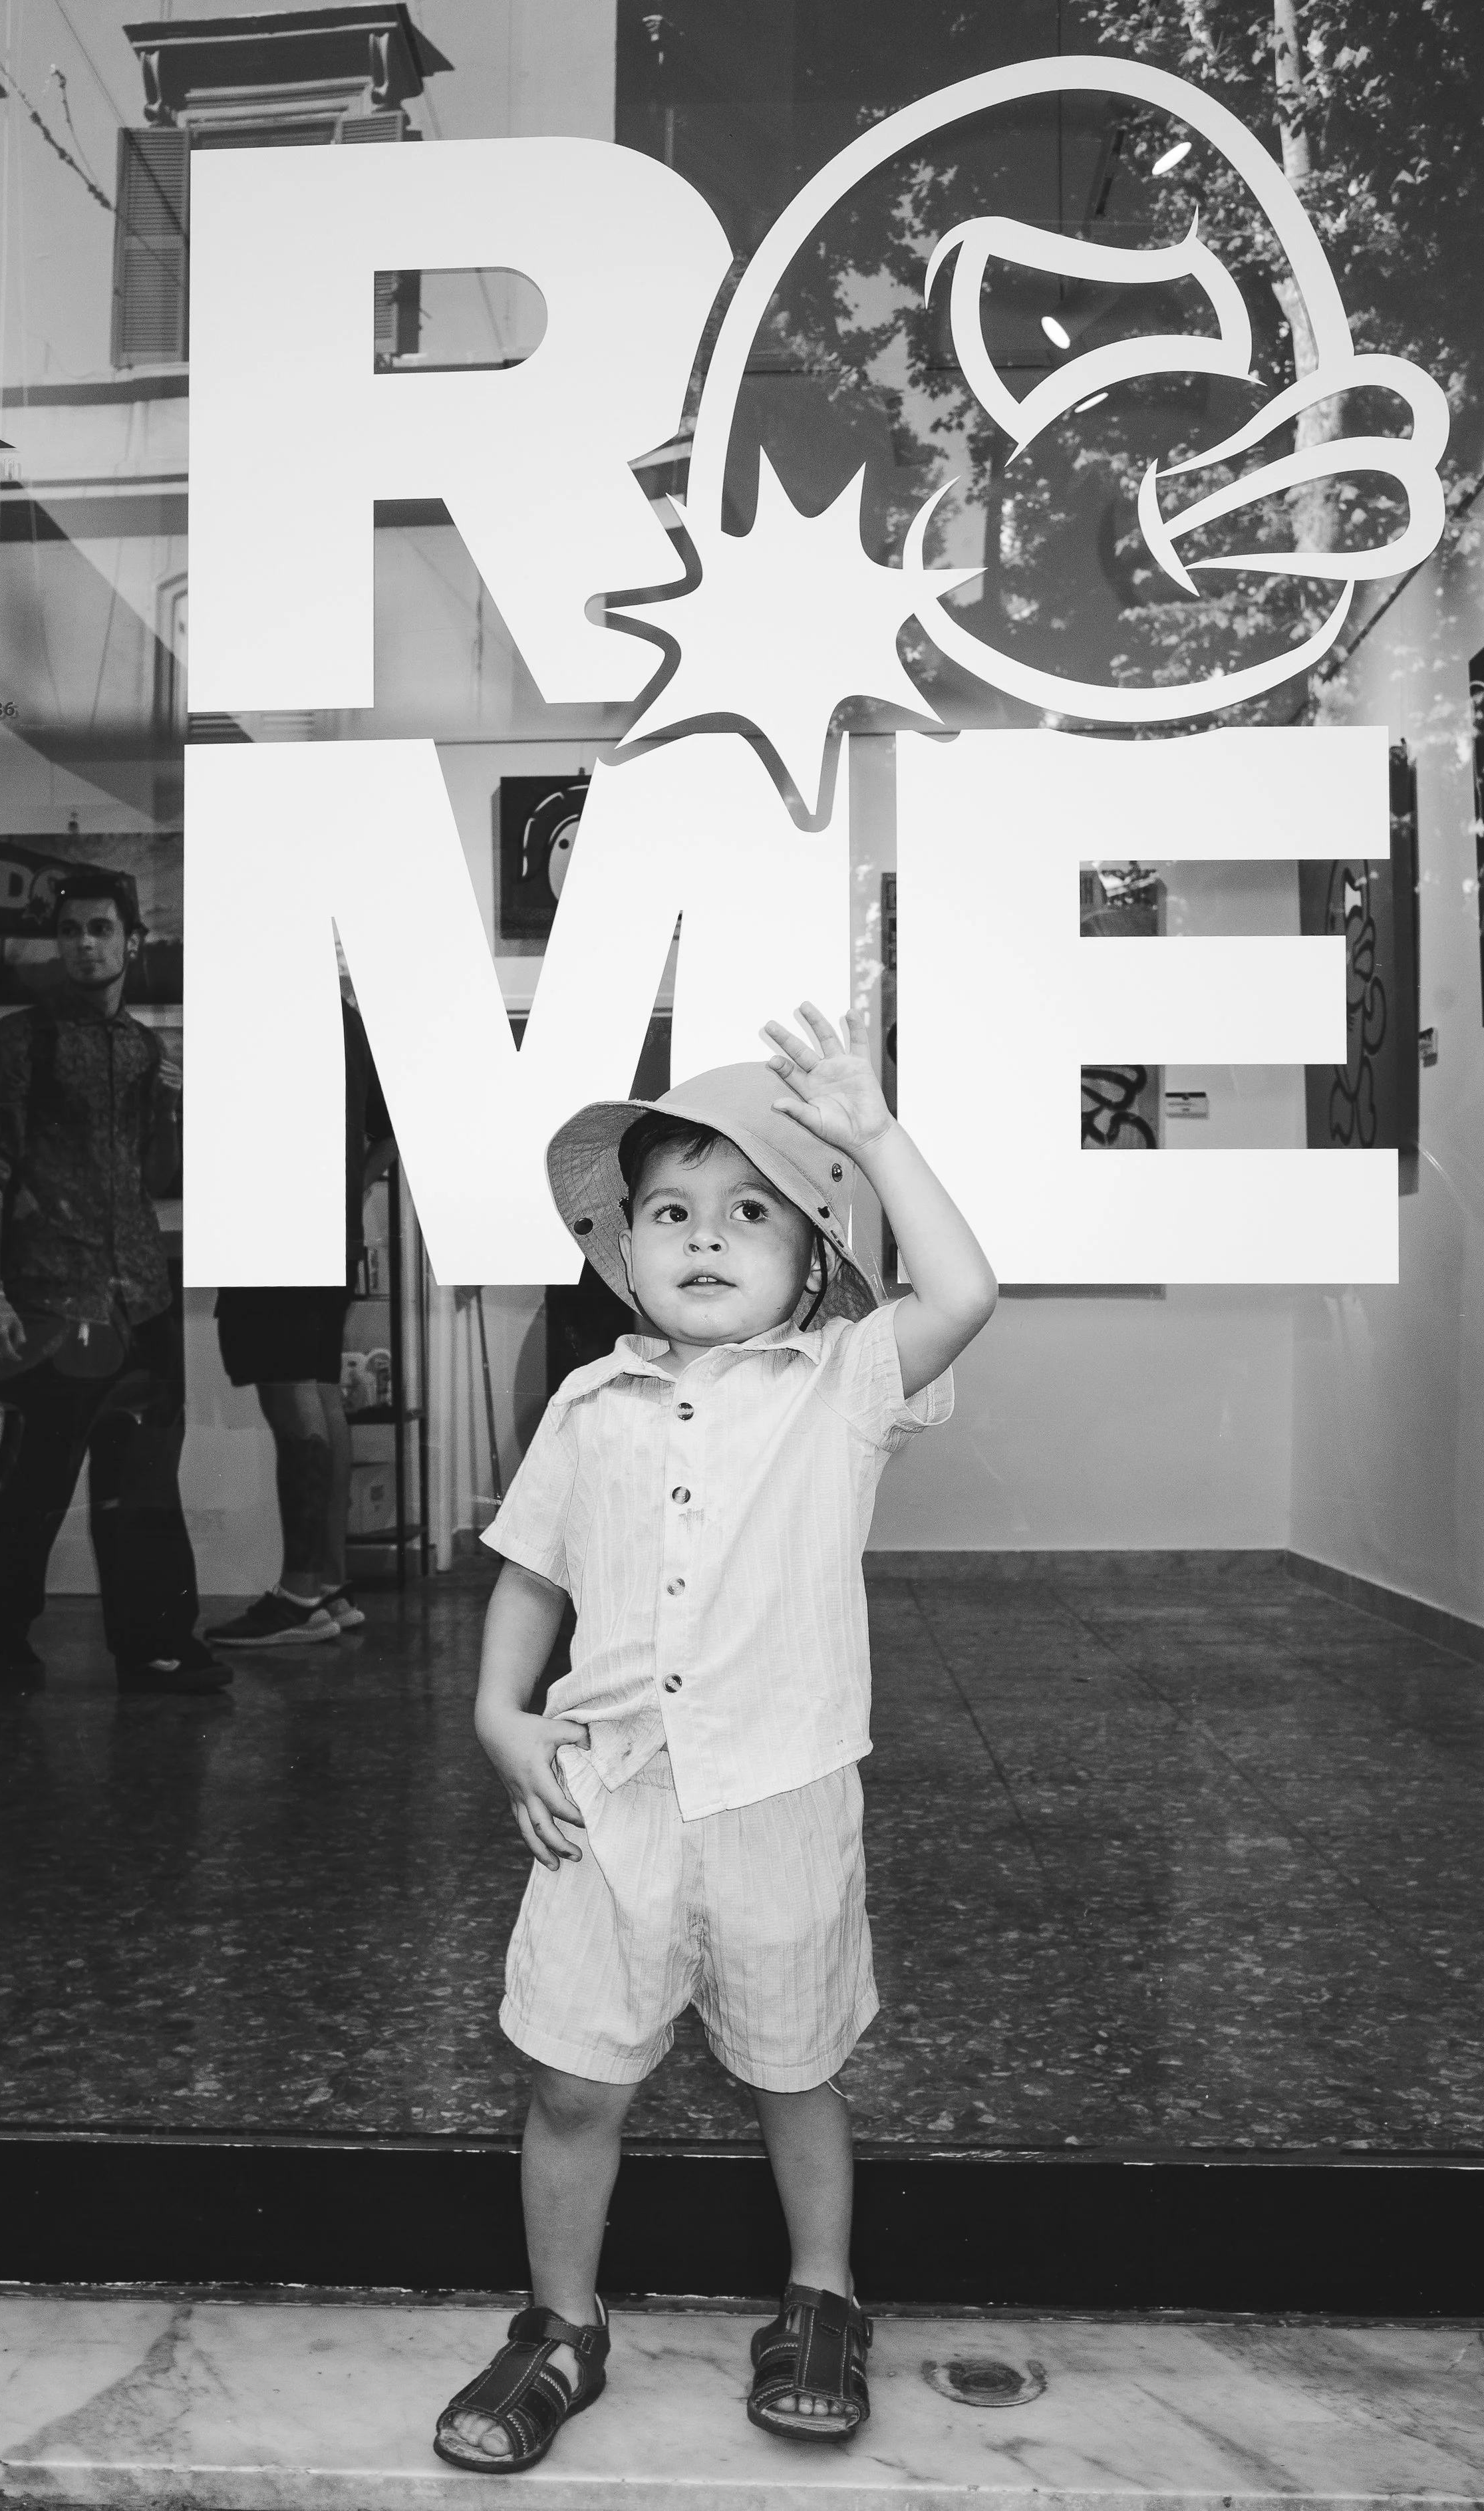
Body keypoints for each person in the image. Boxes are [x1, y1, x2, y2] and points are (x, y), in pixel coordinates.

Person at [434, 1002, 997, 2472]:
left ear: (812, 1262)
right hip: (608, 1797)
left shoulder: (843, 1386)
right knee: (574, 2080)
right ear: (624, 1250)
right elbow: (531, 1572)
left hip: (779, 1799)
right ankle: (561, 2327)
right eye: (671, 1210)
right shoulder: (587, 1403)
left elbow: (964, 1289)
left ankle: (822, 2297)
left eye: (752, 1211)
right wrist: (499, 1715)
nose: (703, 1235)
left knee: (792, 2069)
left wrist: (874, 1135)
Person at [0, 870, 227, 1695]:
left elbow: (154, 1175)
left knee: (143, 1479)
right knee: (36, 1479)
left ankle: (154, 1642)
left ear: (131, 941)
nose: (84, 944)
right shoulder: (20, 1039)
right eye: (71, 930)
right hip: (53, 1293)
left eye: (101, 929)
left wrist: (178, 1107)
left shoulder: (143, 1049)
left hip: (140, 1293)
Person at [207, 1000, 395, 1646]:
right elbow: (390, 1131)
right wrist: (347, 1190)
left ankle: (300, 1594)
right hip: (320, 1233)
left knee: (298, 1404)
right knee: (319, 1395)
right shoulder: (341, 1013)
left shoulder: (270, 1004)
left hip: (273, 1231)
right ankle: (327, 1585)